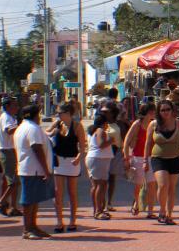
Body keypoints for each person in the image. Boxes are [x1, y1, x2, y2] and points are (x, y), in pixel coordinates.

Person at [143, 99, 179, 225]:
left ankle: (169, 214)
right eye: (162, 110)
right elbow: (148, 144)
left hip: (174, 158)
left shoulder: (178, 123)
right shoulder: (153, 125)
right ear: (158, 111)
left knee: (172, 188)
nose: (165, 112)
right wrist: (145, 160)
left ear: (172, 110)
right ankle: (162, 212)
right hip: (158, 158)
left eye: (168, 109)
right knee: (163, 185)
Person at [13, 105, 55, 239]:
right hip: (33, 169)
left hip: (30, 169)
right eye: (39, 115)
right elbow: (37, 149)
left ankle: (33, 226)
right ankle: (27, 229)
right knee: (29, 200)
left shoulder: (23, 127)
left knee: (34, 199)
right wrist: (46, 170)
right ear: (35, 115)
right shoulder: (32, 128)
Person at [46, 102, 86, 232]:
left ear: (68, 114)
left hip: (72, 161)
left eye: (60, 113)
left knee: (72, 192)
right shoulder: (57, 123)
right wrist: (52, 133)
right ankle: (59, 222)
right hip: (58, 160)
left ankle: (72, 221)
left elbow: (82, 147)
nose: (58, 115)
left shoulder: (77, 126)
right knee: (57, 192)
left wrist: (78, 158)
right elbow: (46, 133)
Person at [123, 102, 158, 218]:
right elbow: (127, 140)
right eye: (151, 111)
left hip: (151, 157)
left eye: (154, 111)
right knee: (138, 185)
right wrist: (126, 157)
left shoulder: (154, 124)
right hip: (138, 157)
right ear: (146, 112)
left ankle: (150, 211)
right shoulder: (137, 124)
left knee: (152, 184)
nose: (153, 113)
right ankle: (136, 203)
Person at [0, 96, 23, 217]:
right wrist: (22, 126)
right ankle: (2, 202)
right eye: (14, 105)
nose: (17, 108)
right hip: (7, 151)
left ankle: (13, 207)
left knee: (15, 181)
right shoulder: (6, 117)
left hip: (12, 150)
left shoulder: (11, 117)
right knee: (13, 181)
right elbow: (9, 131)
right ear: (7, 106)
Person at [86, 113, 114, 220]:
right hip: (98, 159)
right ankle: (98, 211)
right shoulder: (100, 131)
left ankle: (98, 209)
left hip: (98, 160)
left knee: (98, 185)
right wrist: (111, 140)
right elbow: (101, 145)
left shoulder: (96, 131)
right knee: (100, 185)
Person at [100, 102, 126, 212]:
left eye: (106, 111)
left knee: (111, 177)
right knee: (102, 179)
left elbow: (125, 139)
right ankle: (102, 202)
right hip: (103, 153)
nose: (104, 113)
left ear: (113, 112)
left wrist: (126, 153)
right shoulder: (101, 123)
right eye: (103, 111)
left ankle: (109, 202)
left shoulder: (119, 124)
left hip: (116, 152)